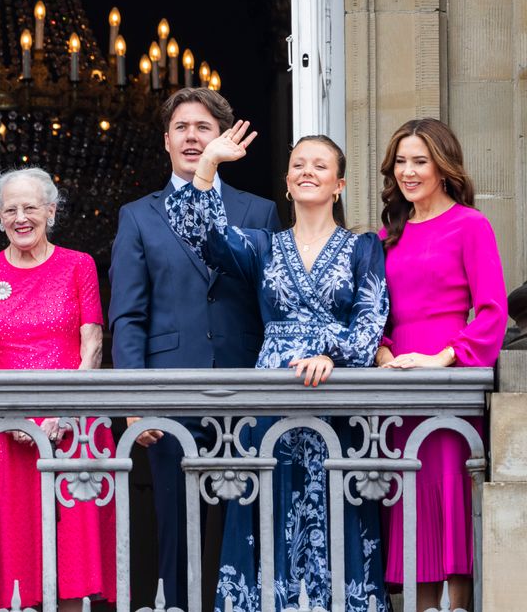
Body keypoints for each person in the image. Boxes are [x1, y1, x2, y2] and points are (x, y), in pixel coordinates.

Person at [167, 128, 390, 611]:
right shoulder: (263, 246)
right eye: (299, 165)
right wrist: (208, 164)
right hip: (270, 401)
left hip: (337, 401)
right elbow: (199, 235)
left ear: (340, 185)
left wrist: (331, 352)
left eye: (320, 165)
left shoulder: (363, 247)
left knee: (335, 510)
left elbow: (371, 323)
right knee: (267, 509)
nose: (307, 171)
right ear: (287, 184)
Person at [108, 87, 279, 608]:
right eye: (181, 128)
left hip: (244, 386)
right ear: (165, 141)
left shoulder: (259, 209)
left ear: (224, 138)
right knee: (176, 527)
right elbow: (128, 314)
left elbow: (269, 304)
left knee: (247, 525)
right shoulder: (138, 215)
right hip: (168, 392)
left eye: (203, 128)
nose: (191, 137)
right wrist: (135, 403)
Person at [0, 167, 114, 612]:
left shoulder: (79, 265)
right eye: (11, 209)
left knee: (70, 563)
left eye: (31, 207)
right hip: (4, 434)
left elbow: (93, 346)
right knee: (12, 558)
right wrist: (17, 420)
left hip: (73, 429)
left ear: (51, 210)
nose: (21, 217)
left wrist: (60, 417)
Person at [375, 118, 507, 611]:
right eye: (401, 162)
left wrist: (443, 358)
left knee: (449, 502)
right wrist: (384, 352)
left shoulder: (471, 226)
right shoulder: (389, 236)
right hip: (398, 389)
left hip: (447, 385)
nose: (408, 172)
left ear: (443, 166)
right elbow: (377, 311)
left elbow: (493, 310)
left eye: (419, 161)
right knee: (411, 509)